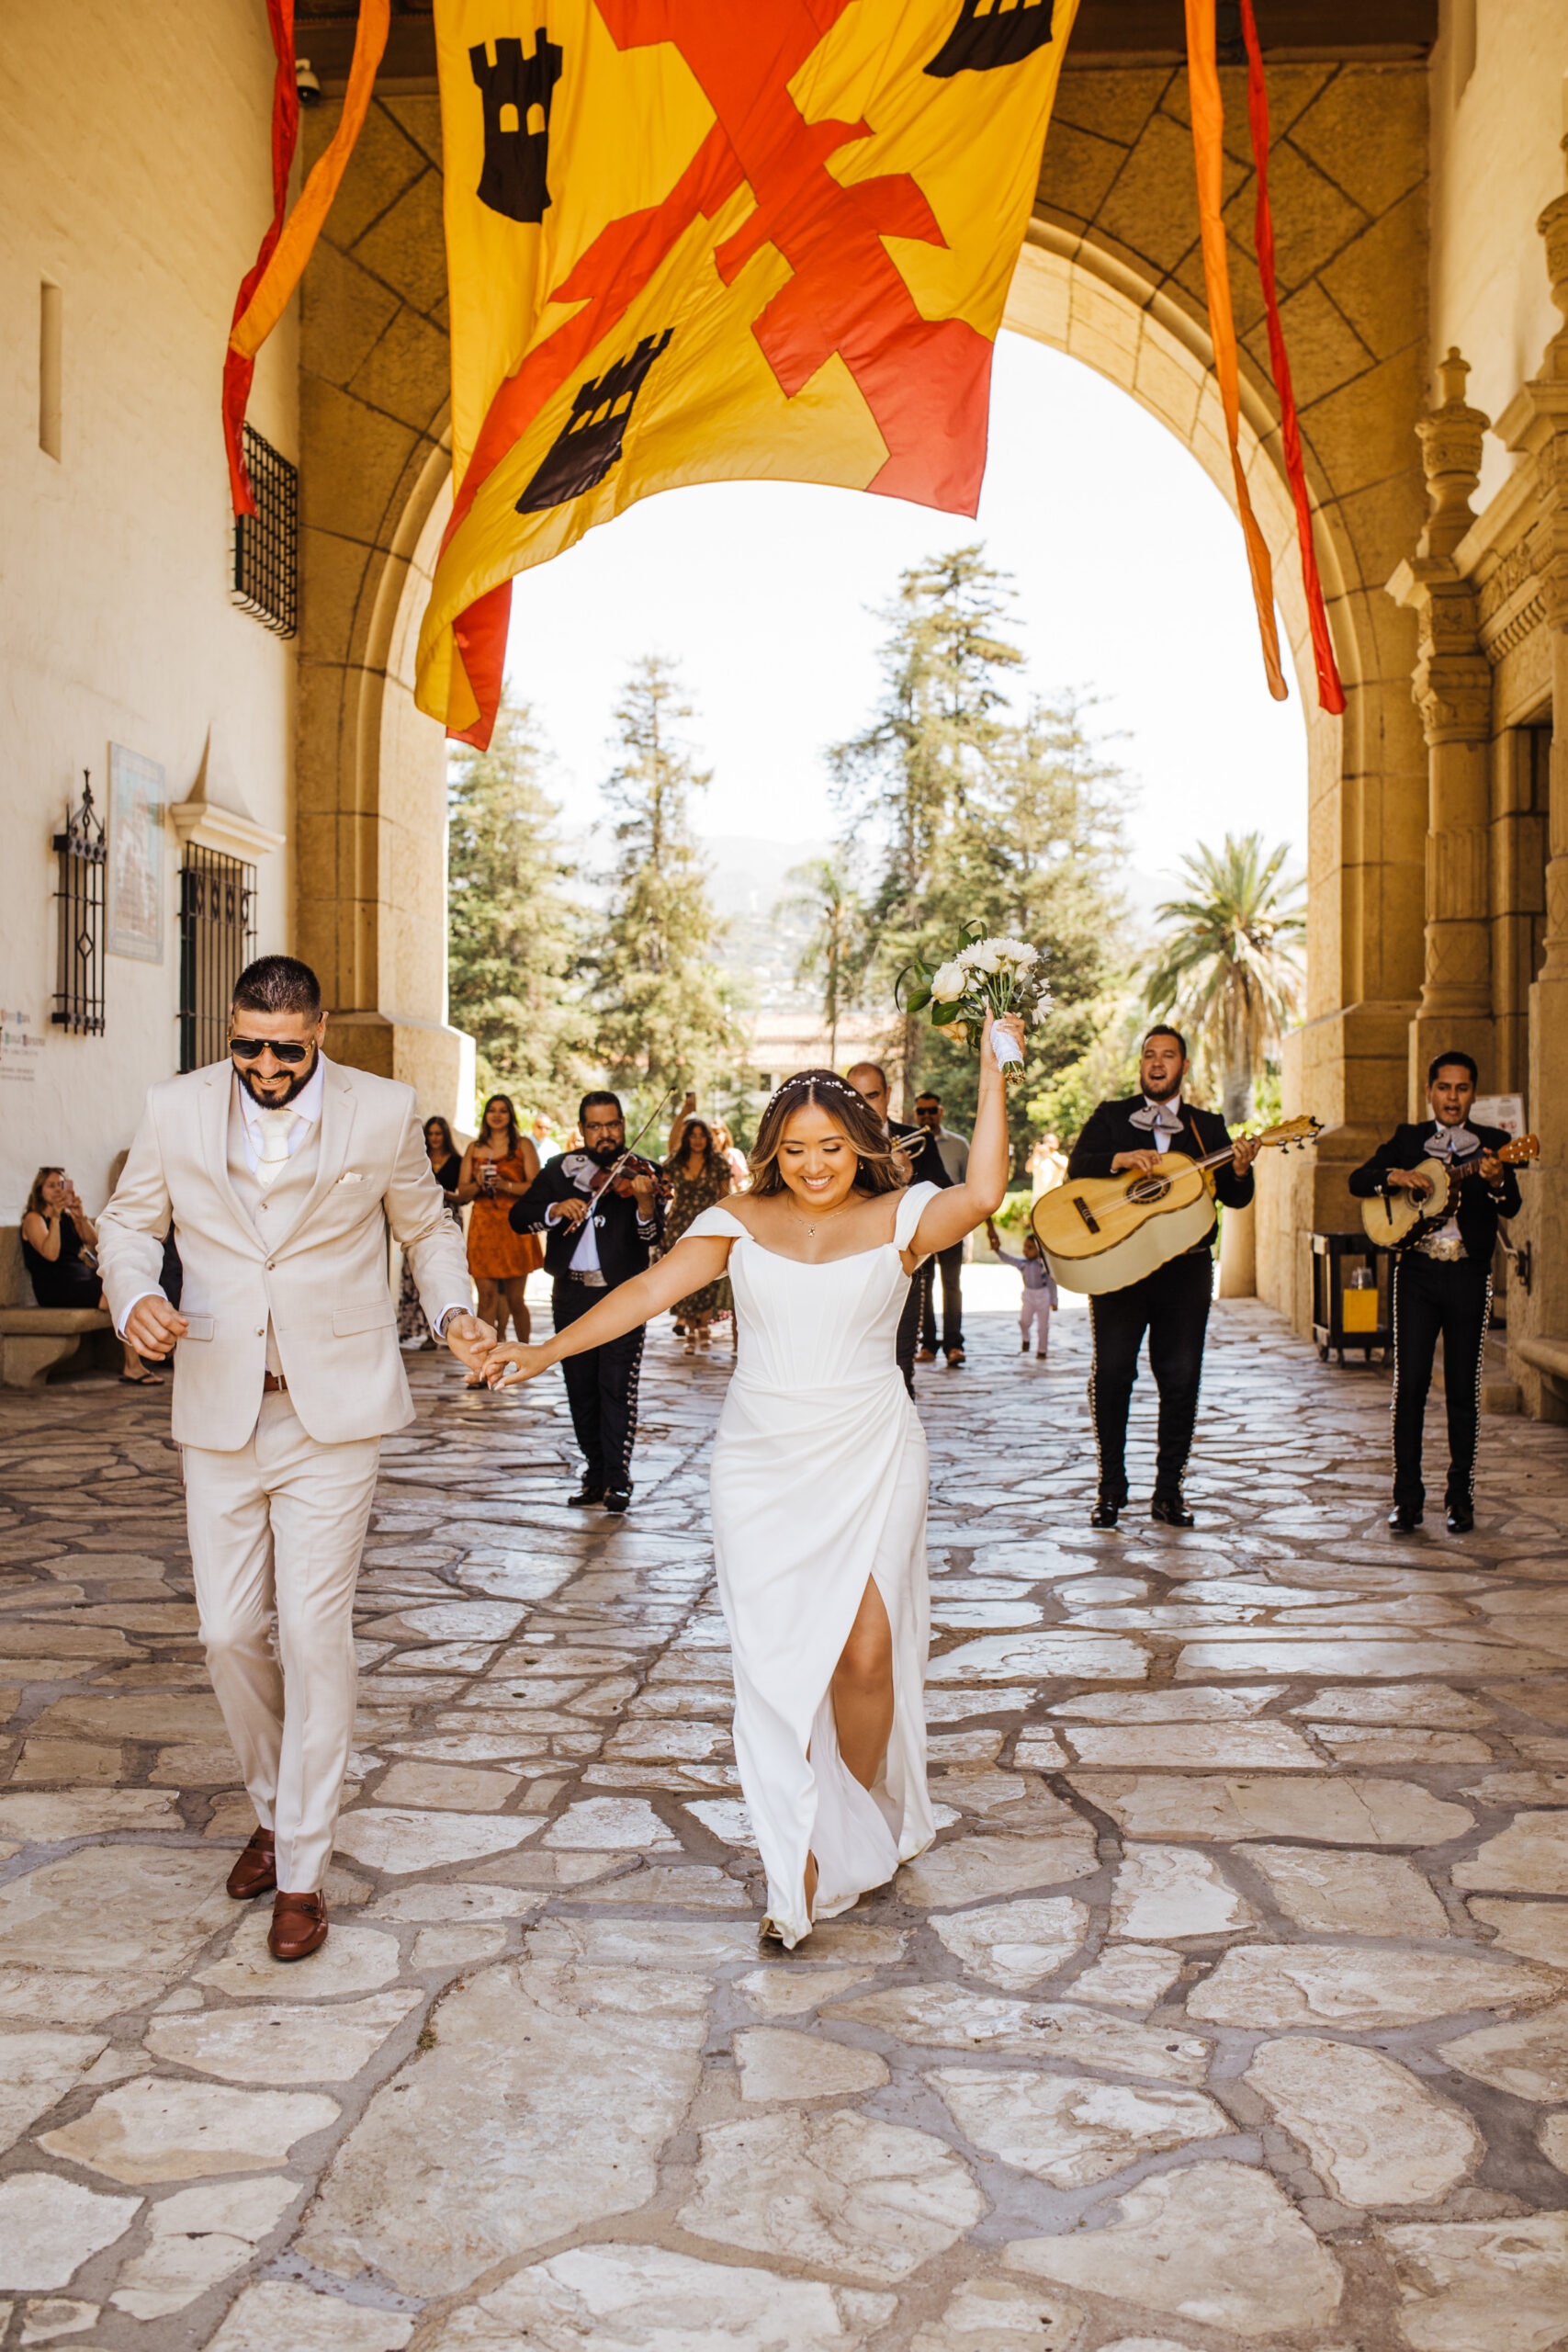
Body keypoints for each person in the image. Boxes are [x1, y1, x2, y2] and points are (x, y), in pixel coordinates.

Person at [485, 1013, 1023, 1947]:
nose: (815, 1164)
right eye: (796, 1147)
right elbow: (644, 1295)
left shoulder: (900, 1216)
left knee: (865, 1649)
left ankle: (846, 1811)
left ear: (860, 1147)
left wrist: (992, 1070)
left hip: (872, 1441)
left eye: (832, 1146)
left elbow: (981, 1191)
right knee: (778, 1664)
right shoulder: (735, 1222)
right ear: (774, 1151)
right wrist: (545, 1349)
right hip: (761, 1455)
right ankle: (804, 1856)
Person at [96, 956, 490, 1962]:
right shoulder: (176, 1108)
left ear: (319, 1035)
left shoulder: (382, 1109)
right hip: (219, 1398)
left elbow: (426, 1227)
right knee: (229, 1633)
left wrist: (451, 1309)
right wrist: (134, 1294)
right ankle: (272, 1810)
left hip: (334, 1413)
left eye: (287, 1047)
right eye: (248, 1045)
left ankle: (303, 1869)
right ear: (230, 1032)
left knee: (315, 1636)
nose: (265, 1065)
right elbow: (129, 1224)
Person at [1066, 1024, 1260, 1529]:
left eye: (1168, 1056)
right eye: (1149, 1054)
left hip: (1186, 1271)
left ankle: (1169, 1491)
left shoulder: (1206, 1128)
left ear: (1183, 1067)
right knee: (1112, 1375)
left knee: (1180, 1381)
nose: (1157, 1063)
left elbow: (1236, 1199)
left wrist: (1239, 1169)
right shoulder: (1111, 1116)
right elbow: (1076, 1168)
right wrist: (1120, 1160)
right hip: (1119, 1271)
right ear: (1141, 1065)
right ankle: (1111, 1489)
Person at [1349, 1050, 1522, 1535]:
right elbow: (1357, 1179)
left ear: (1473, 1094)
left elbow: (1512, 1203)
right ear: (1430, 1092)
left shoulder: (1494, 1145)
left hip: (1469, 1275)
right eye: (1444, 1088)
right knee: (1411, 1386)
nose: (1452, 1097)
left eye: (1462, 1088)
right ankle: (1407, 1499)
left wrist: (1499, 1178)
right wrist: (1394, 1176)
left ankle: (1460, 1498)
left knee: (1464, 1388)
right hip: (1418, 1274)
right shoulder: (1408, 1140)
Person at [508, 1091, 665, 1511]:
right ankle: (594, 1474)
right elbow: (519, 1217)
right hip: (571, 1293)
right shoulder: (561, 1169)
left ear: (623, 1124)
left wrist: (646, 1202)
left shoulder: (643, 1173)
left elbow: (653, 1238)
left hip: (623, 1294)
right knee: (580, 1388)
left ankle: (618, 1479)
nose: (605, 1134)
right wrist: (557, 1207)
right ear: (582, 1130)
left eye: (612, 1124)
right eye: (595, 1126)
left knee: (617, 1387)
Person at [845, 1059, 953, 1395]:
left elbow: (944, 1196)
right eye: (855, 1096)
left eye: (872, 1095)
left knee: (900, 1370)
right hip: (848, 1269)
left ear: (888, 1094)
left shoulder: (913, 1139)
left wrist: (909, 1178)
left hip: (904, 1269)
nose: (864, 1105)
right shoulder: (834, 1142)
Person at [21, 1167, 156, 1385]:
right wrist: (54, 1218)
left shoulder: (66, 1217)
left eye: (61, 1185)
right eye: (51, 1185)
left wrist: (80, 1216)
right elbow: (51, 1254)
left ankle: (137, 1361)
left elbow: (95, 1242)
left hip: (81, 1279)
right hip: (55, 1286)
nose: (57, 1190)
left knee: (123, 1282)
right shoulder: (33, 1219)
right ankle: (133, 1365)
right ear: (39, 1190)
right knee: (116, 1292)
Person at [458, 1095, 541, 1355]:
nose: (497, 1115)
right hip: (484, 1228)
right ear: (486, 1116)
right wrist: (479, 1184)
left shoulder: (523, 1145)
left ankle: (526, 1354)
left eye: (503, 1111)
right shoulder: (474, 1148)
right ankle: (483, 1359)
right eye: (492, 1110)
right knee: (486, 1297)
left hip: (514, 1225)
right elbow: (461, 1193)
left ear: (510, 1115)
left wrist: (505, 1184)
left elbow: (536, 1187)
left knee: (517, 1300)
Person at [662, 1115, 733, 1351]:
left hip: (708, 1224)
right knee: (683, 1278)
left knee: (707, 1277)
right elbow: (663, 1188)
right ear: (686, 1138)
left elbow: (726, 1197)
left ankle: (703, 1325)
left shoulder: (718, 1162)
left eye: (702, 1135)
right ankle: (691, 1330)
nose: (697, 1140)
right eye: (692, 1135)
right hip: (679, 1224)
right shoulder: (675, 1160)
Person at [912, 1089, 969, 1366]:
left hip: (953, 1226)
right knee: (923, 1286)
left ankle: (954, 1345)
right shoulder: (910, 1144)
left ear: (941, 1111)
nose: (927, 1115)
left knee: (952, 1286)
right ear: (915, 1114)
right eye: (921, 1111)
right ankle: (928, 1345)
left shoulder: (959, 1145)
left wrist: (987, 1228)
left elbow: (974, 1186)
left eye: (931, 1110)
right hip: (919, 1226)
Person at [398, 1117, 465, 1348]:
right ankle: (417, 1329)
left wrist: (440, 1190)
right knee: (415, 1275)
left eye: (439, 1134)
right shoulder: (419, 1158)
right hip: (418, 1217)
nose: (435, 1138)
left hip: (448, 1214)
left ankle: (440, 1331)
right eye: (432, 1134)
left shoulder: (457, 1161)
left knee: (443, 1267)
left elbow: (463, 1194)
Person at [987, 1217, 1057, 1357]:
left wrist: (1054, 1301)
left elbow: (1051, 1283)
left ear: (1038, 1251)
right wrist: (998, 1251)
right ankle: (1026, 1337)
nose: (1025, 1250)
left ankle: (1042, 1350)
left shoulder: (1044, 1266)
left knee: (1043, 1326)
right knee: (1024, 1321)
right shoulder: (1023, 1263)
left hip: (1043, 1296)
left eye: (1030, 1248)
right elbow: (1008, 1259)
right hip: (1028, 1296)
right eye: (1025, 1246)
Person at [1030, 1132, 1067, 1198]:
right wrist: (1035, 1153)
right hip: (1038, 1197)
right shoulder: (1038, 1158)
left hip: (1055, 1196)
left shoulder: (1062, 1158)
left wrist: (1049, 1154)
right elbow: (1028, 1168)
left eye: (1050, 1142)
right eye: (1045, 1142)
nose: (1047, 1144)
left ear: (1057, 1144)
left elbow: (1062, 1167)